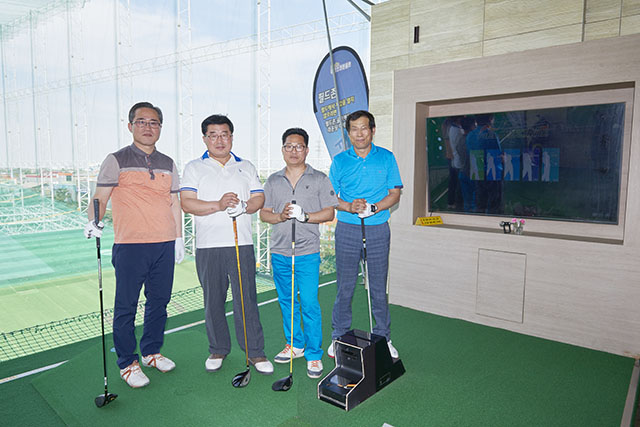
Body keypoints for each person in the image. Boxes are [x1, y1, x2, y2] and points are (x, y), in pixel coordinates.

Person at [84, 101, 184, 388]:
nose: (148, 127)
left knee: (159, 302)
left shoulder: (168, 163)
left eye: (154, 123)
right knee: (126, 307)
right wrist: (92, 220)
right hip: (131, 245)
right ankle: (127, 363)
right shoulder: (116, 160)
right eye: (141, 122)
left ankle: (151, 351)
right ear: (130, 126)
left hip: (164, 244)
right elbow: (100, 198)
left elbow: (174, 202)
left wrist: (178, 238)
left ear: (160, 128)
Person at [180, 114, 273, 375]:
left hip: (241, 244)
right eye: (213, 135)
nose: (219, 140)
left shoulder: (246, 166)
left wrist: (244, 206)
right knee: (213, 300)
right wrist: (219, 205)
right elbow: (187, 203)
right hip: (208, 245)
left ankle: (255, 351)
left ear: (231, 137)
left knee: (247, 299)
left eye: (224, 134)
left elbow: (259, 198)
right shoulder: (194, 167)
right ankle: (218, 348)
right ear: (204, 139)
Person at [260, 128, 337, 378]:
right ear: (283, 149)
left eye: (299, 146)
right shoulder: (273, 181)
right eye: (289, 146)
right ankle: (295, 344)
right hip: (280, 251)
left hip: (307, 252)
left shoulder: (319, 178)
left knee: (310, 303)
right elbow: (264, 214)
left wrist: (306, 216)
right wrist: (279, 216)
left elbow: (330, 212)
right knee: (287, 301)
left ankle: (314, 354)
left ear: (306, 150)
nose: (294, 151)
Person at [328, 110, 403, 359]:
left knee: (378, 287)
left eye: (364, 128)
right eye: (354, 129)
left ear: (372, 130)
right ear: (348, 133)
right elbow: (330, 196)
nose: (359, 133)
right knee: (345, 286)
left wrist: (375, 207)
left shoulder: (386, 157)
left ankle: (383, 338)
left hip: (378, 228)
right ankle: (339, 336)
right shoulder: (340, 161)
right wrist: (349, 206)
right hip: (347, 229)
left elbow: (394, 193)